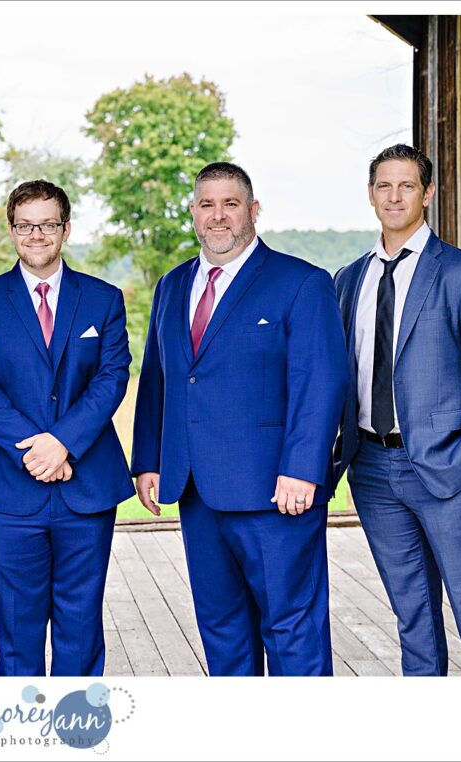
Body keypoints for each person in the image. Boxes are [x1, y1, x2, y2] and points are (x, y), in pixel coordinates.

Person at [132, 162, 346, 676]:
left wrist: (303, 469)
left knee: (292, 629)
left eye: (230, 203)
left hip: (276, 492)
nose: (218, 216)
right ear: (193, 213)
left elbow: (321, 385)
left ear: (253, 210)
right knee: (222, 631)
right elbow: (158, 379)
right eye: (206, 204)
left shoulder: (301, 282)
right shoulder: (171, 285)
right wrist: (148, 460)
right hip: (196, 491)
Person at [333, 143, 461, 676]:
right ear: (370, 195)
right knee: (412, 618)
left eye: (407, 186)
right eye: (384, 186)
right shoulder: (349, 280)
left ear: (428, 194)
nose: (394, 196)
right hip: (372, 471)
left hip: (452, 472)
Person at [0, 180, 134, 676]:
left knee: (81, 626)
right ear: (12, 230)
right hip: (10, 490)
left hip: (87, 487)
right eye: (26, 225)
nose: (37, 234)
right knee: (16, 631)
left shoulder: (103, 299)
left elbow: (112, 377)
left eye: (48, 224)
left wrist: (63, 444)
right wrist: (34, 451)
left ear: (66, 228)